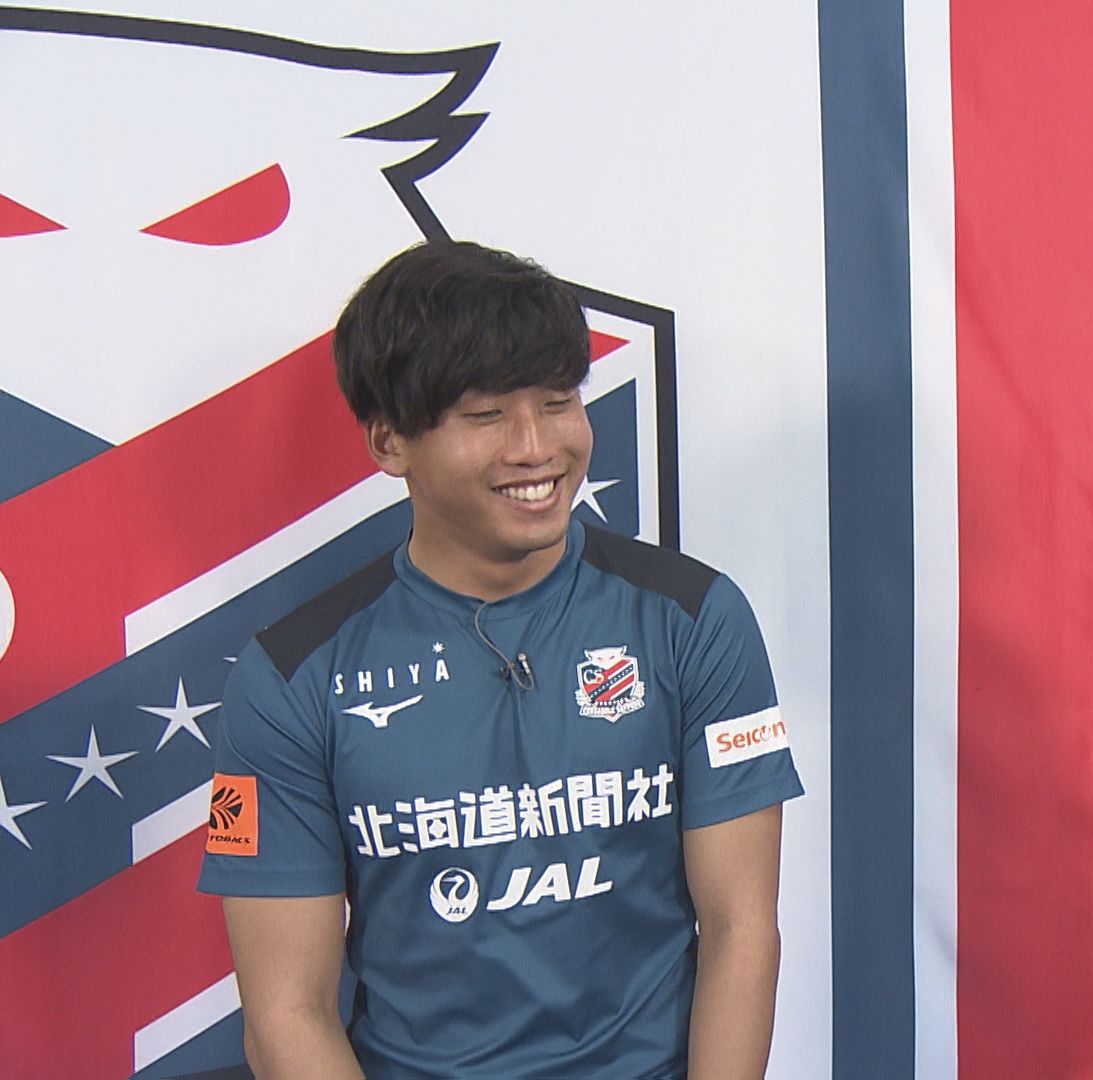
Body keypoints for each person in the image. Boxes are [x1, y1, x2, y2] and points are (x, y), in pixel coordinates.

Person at [200, 240, 802, 1078]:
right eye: (486, 416)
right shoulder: (292, 677)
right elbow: (284, 1014)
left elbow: (742, 929)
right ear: (389, 442)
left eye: (558, 403)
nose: (535, 448)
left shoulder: (696, 619)